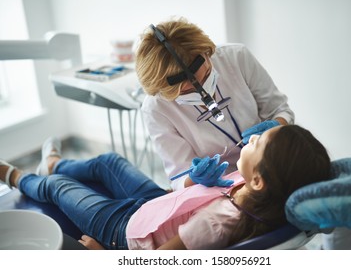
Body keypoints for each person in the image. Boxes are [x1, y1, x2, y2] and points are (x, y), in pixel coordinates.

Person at [0, 125, 330, 250]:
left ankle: (13, 175)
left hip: (125, 230)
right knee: (110, 162)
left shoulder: (214, 225)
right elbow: (189, 195)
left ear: (259, 179)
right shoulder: (256, 188)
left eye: (258, 142)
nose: (253, 136)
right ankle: (55, 162)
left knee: (58, 187)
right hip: (159, 204)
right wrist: (193, 180)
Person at [135, 17, 294, 191]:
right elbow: (180, 176)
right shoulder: (156, 109)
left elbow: (280, 110)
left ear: (207, 52)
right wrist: (195, 178)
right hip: (218, 189)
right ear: (165, 91)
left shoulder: (236, 57)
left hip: (274, 164)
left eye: (207, 75)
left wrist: (276, 126)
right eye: (187, 92)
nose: (204, 92)